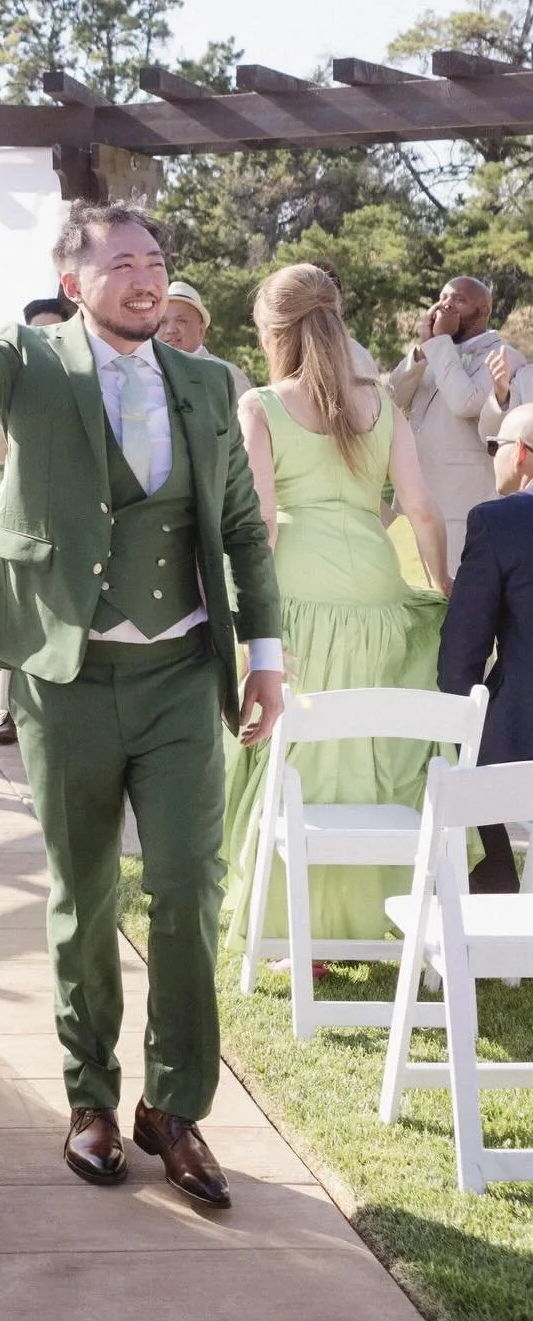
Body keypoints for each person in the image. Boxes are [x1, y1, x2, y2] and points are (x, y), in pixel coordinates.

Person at [0, 190, 283, 1212]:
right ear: (73, 282)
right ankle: (91, 1100)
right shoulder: (29, 363)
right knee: (84, 895)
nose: (145, 279)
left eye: (154, 261)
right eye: (121, 264)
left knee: (189, 889)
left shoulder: (208, 381)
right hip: (66, 678)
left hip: (180, 676)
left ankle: (176, 1109)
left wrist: (267, 656)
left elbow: (242, 528)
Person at [223, 264, 450, 959]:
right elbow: (422, 510)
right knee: (365, 749)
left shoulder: (262, 405)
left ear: (273, 332)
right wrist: (444, 588)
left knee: (302, 751)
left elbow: (262, 522)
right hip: (378, 592)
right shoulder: (380, 404)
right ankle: (362, 918)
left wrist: (247, 620)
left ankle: (300, 932)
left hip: (297, 593)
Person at [437, 402, 533, 894]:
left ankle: (494, 876)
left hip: (520, 743)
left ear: (521, 454)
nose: (490, 453)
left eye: (493, 444)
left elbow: (461, 657)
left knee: (450, 729)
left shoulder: (499, 523)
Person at [0, 294, 76, 747]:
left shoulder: (92, 379)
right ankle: (11, 711)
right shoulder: (11, 382)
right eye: (36, 333)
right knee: (19, 616)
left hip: (75, 521)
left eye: (53, 331)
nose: (45, 340)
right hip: (22, 520)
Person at [389, 276, 522, 573]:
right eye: (443, 298)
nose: (446, 306)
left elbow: (466, 403)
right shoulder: (436, 353)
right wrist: (422, 351)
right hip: (419, 497)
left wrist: (439, 344)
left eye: (459, 300)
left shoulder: (503, 356)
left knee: (458, 588)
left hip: (462, 500)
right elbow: (394, 398)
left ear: (483, 311)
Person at [155, 280, 253, 399]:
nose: (170, 330)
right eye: (162, 322)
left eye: (181, 321)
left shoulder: (227, 376)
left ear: (201, 330)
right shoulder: (149, 376)